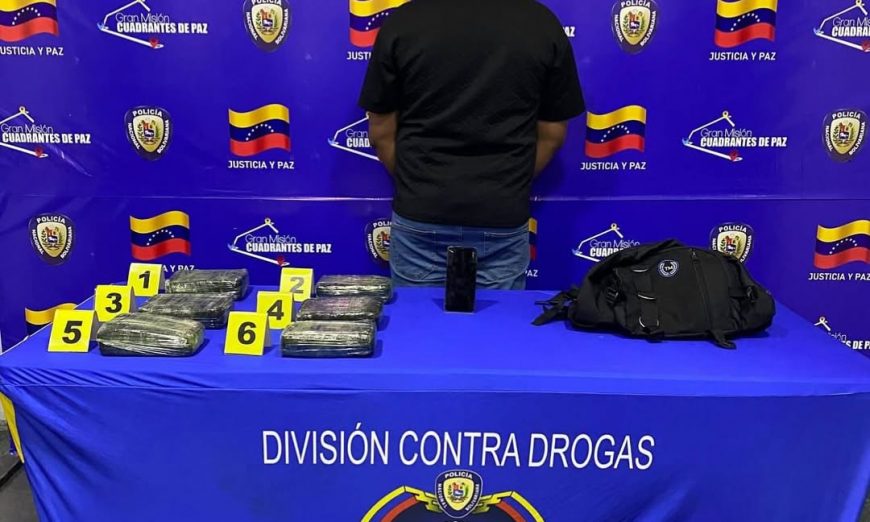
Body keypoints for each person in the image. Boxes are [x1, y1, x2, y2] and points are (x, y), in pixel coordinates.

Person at [358, 0, 585, 289]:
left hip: (422, 215)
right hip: (501, 214)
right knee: (498, 321)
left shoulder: (403, 22)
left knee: (417, 320)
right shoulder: (541, 23)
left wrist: (417, 183)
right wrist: (507, 184)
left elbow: (381, 133)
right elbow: (552, 135)